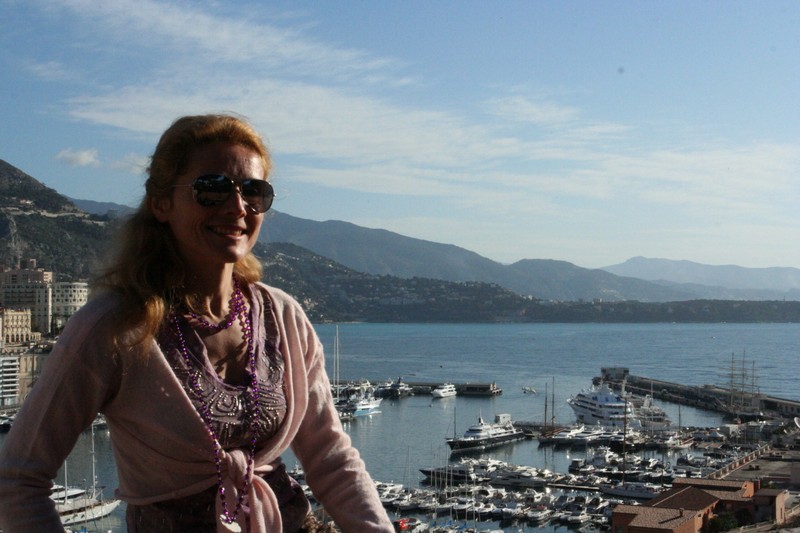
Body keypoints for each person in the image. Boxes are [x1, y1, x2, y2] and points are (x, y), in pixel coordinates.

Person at [0, 114, 394, 532]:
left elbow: (332, 460)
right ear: (161, 202)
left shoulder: (284, 318)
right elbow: (18, 480)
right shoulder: (113, 327)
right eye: (213, 188)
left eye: (254, 191)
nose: (238, 207)